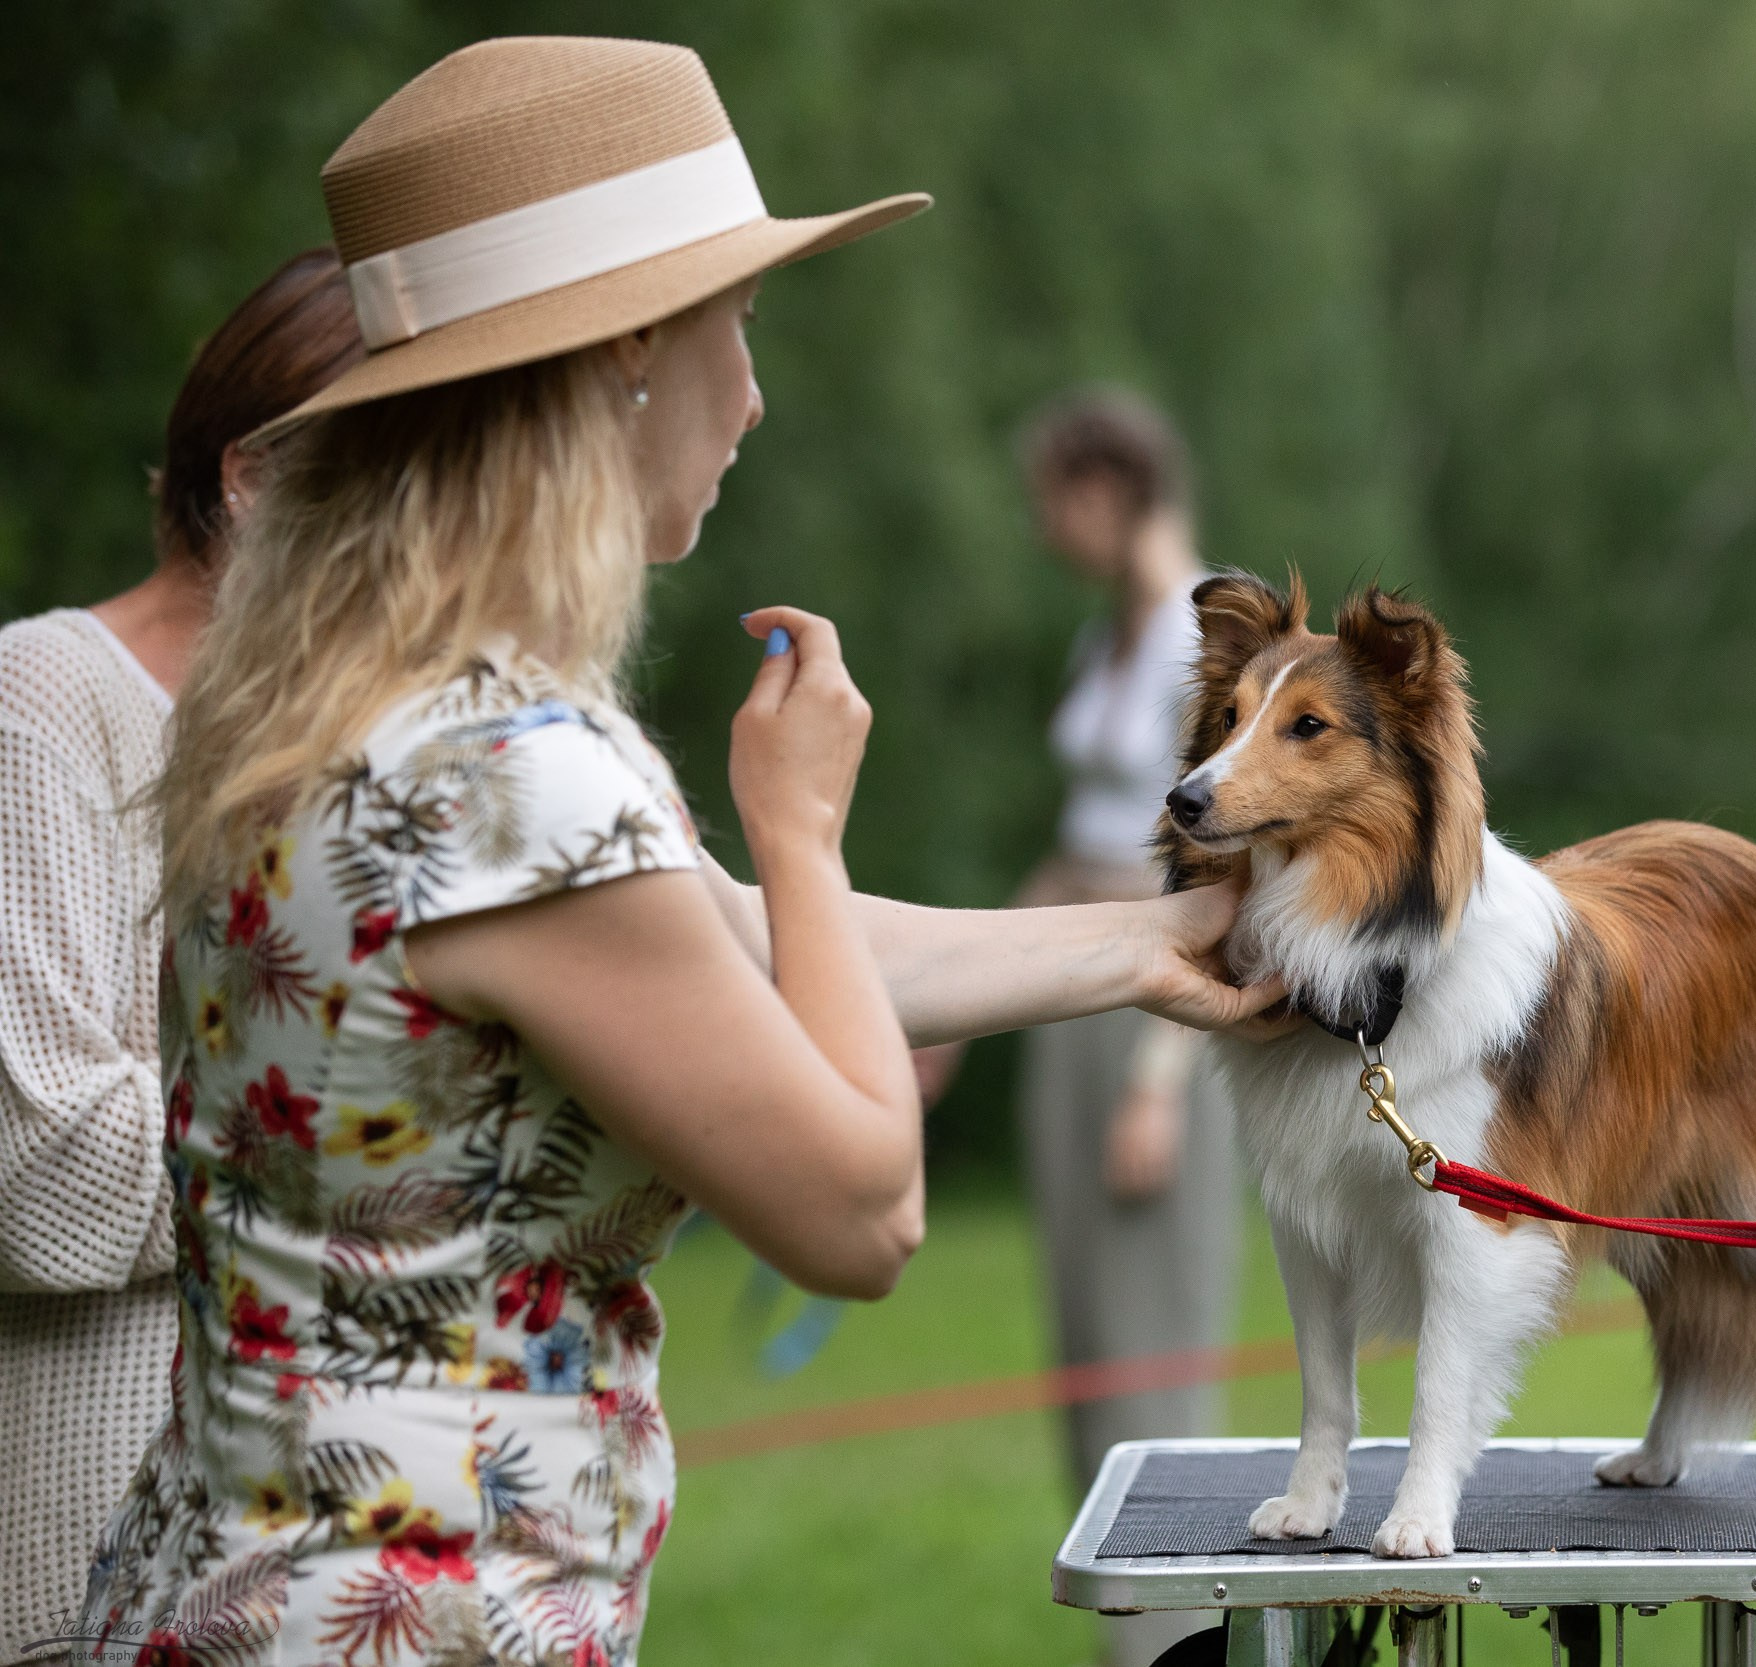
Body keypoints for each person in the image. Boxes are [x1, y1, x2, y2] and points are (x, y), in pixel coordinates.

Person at [70, 38, 1279, 1665]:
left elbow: (734, 957)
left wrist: (1155, 946)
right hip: (428, 1622)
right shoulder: (512, 772)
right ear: (633, 347)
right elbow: (861, 1211)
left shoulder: (325, 708)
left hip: (219, 1586)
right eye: (742, 321)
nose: (757, 390)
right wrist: (800, 825)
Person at [0, 249, 364, 1667]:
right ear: (253, 478)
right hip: (81, 1558)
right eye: (387, 466)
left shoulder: (348, 743)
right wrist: (372, 1158)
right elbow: (31, 1160)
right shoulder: (41, 704)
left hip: (310, 1551)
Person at [1014, 390, 1238, 1667]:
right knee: (1085, 1329)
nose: (1049, 528)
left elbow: (1216, 884)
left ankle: (1182, 1640)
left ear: (1109, 486)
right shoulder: (1104, 642)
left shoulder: (1204, 639)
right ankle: (1124, 1636)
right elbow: (1082, 851)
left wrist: (1160, 1077)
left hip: (1162, 1019)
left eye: (1058, 496)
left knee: (1153, 1330)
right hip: (1071, 995)